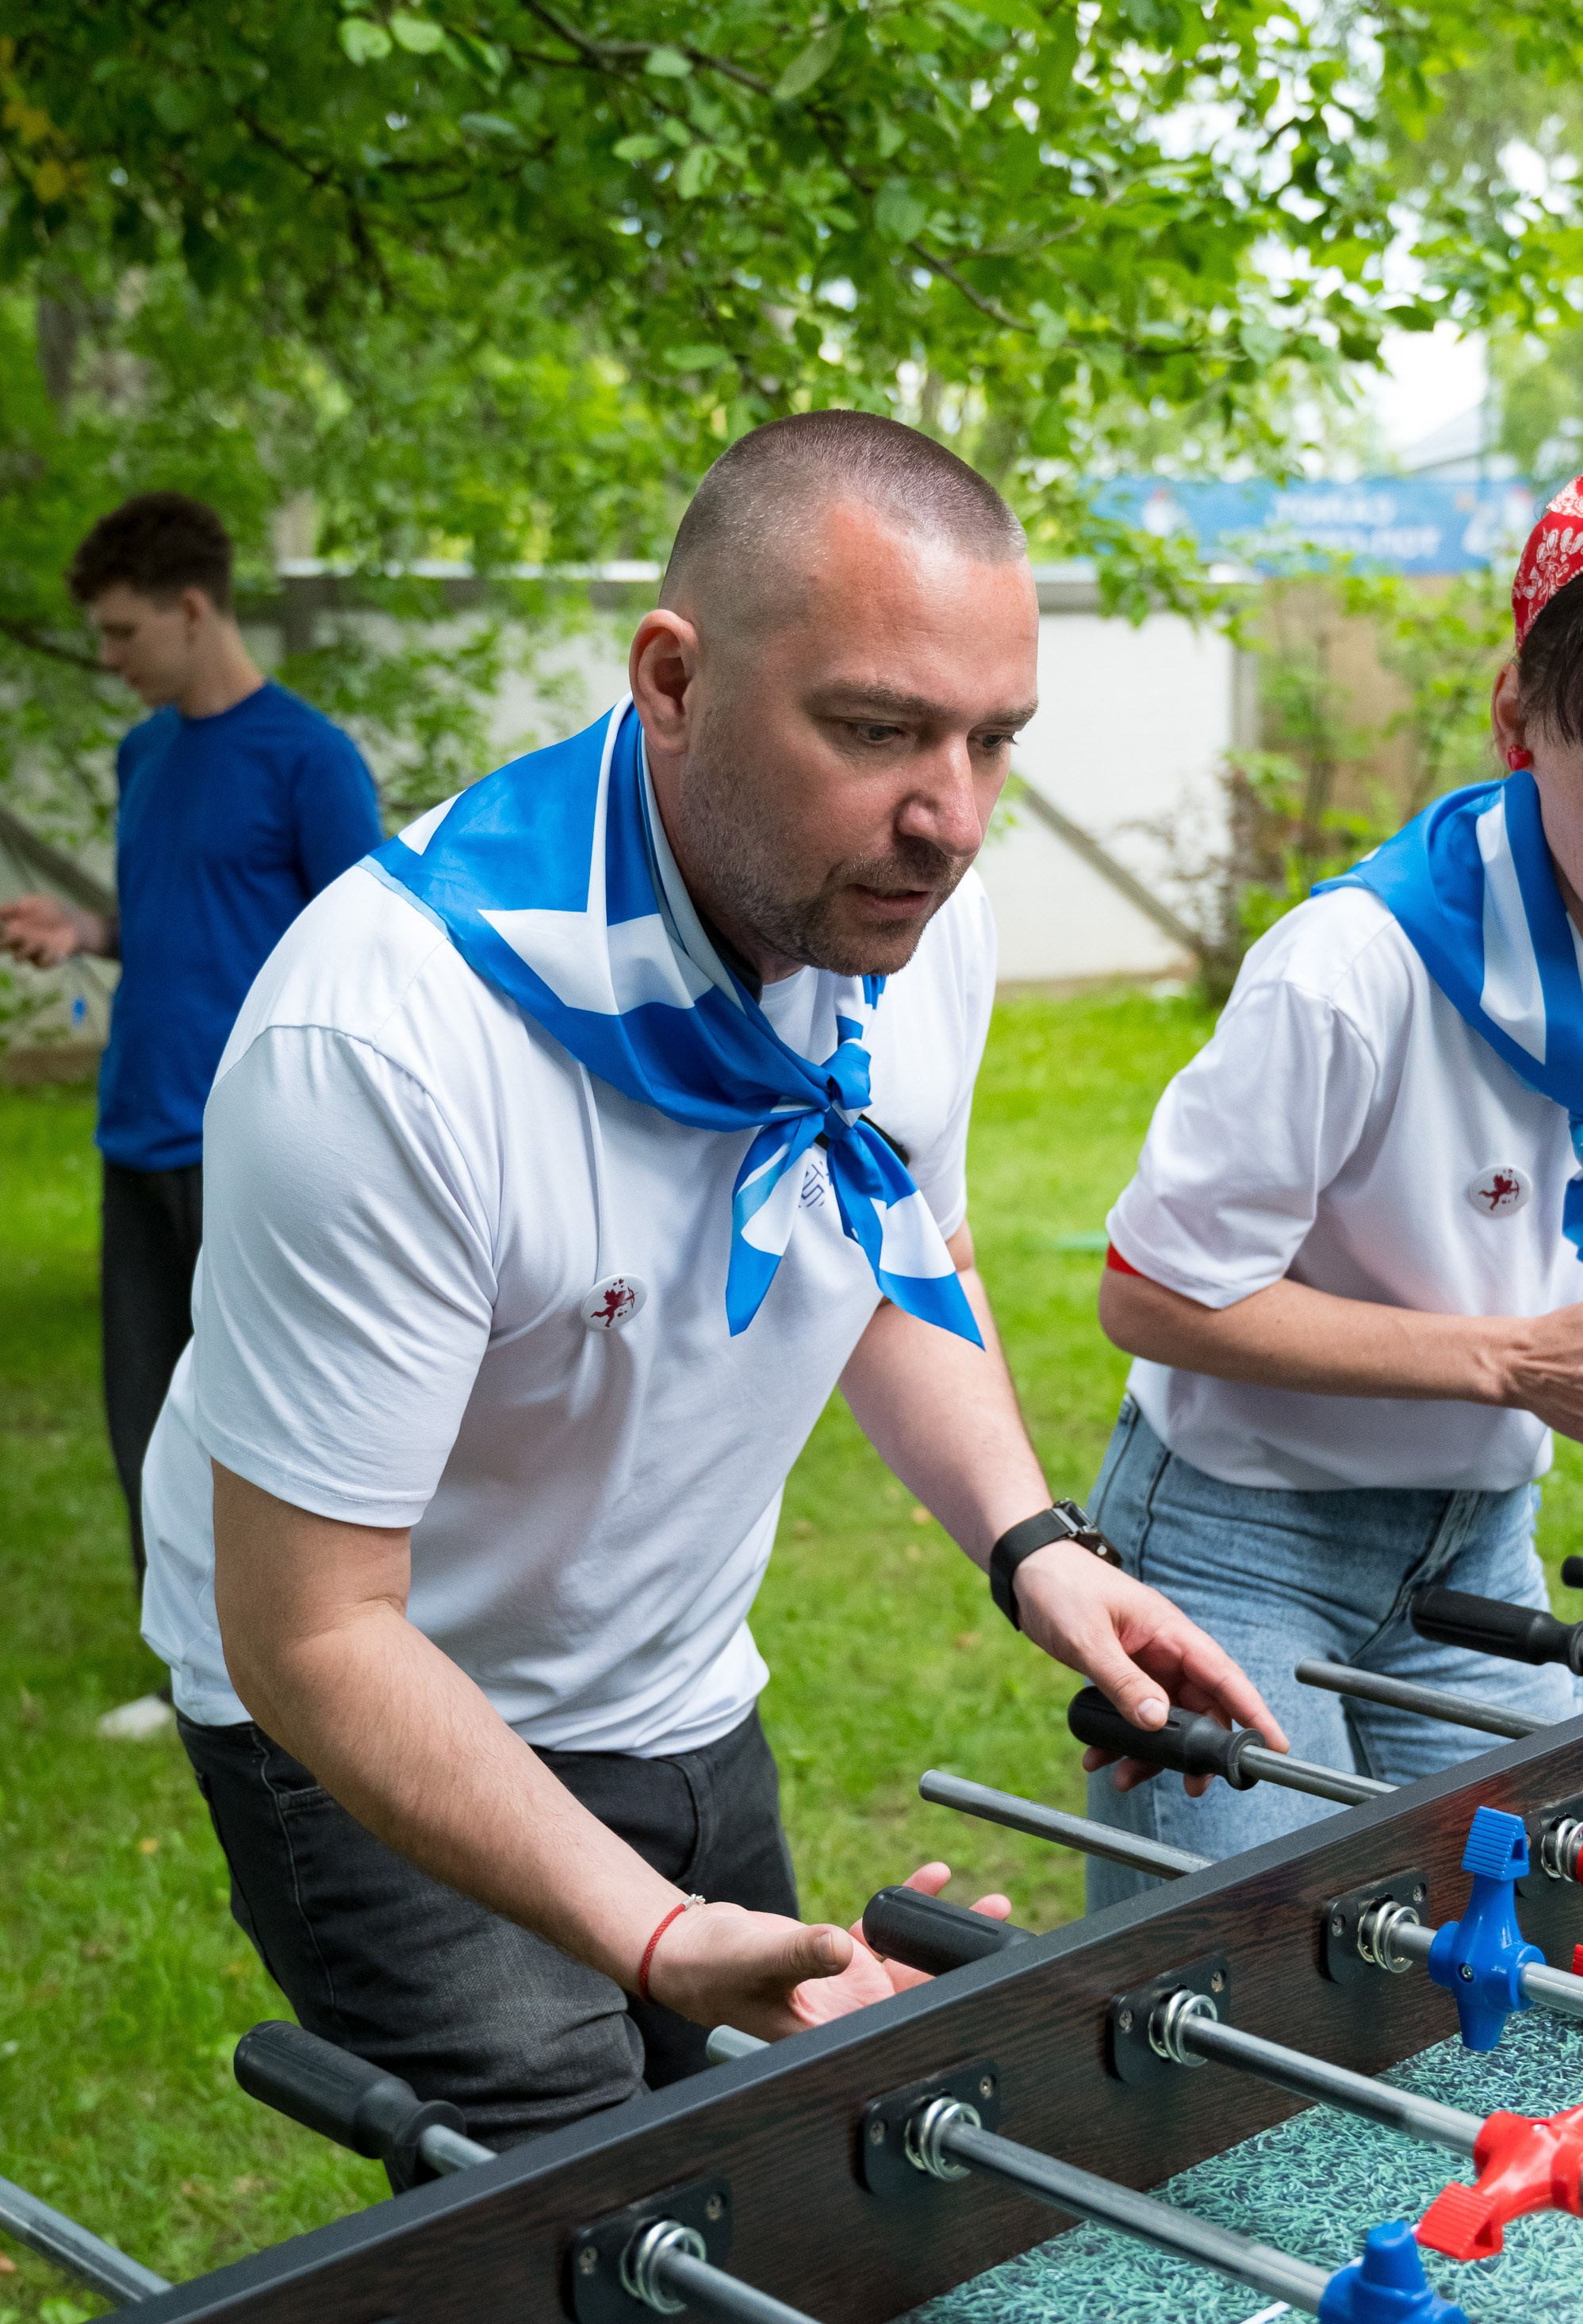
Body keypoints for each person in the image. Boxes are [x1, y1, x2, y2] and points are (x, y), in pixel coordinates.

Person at [140, 412, 1279, 2156]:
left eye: (992, 741)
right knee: (583, 2216)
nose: (949, 817)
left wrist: (1034, 1544)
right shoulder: (381, 1040)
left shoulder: (899, 917)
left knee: (762, 2153)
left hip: (674, 1676)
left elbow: (904, 1249)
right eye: (878, 729)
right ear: (669, 679)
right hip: (369, 1703)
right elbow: (309, 1631)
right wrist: (656, 1935)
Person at [1085, 477, 1583, 1905]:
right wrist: (1510, 1360)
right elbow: (1148, 1294)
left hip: (1480, 1535)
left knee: (1523, 1985)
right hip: (1240, 1535)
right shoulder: (1351, 969)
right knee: (1236, 2054)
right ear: (1516, 723)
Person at [0, 493, 382, 1622]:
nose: (108, 656)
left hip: (256, 1140)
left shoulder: (309, 760)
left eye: (122, 632)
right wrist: (86, 935)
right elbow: (179, 918)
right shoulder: (142, 753)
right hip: (135, 1125)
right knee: (145, 1414)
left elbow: (372, 951)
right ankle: (183, 1650)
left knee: (257, 1420)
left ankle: (277, 1650)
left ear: (192, 607)